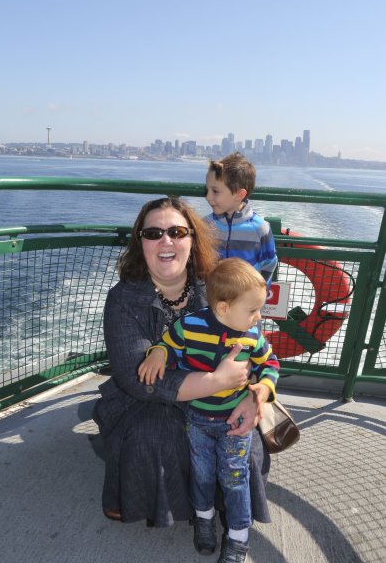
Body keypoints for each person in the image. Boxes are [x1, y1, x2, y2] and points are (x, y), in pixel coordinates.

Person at [91, 196, 272, 532]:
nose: (166, 241)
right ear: (141, 243)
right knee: (154, 436)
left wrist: (254, 398)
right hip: (147, 400)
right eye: (153, 233)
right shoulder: (123, 299)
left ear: (193, 239)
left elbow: (257, 351)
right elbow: (138, 379)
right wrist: (217, 381)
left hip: (222, 399)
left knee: (239, 437)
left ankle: (226, 508)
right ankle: (140, 495)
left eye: (176, 232)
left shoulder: (218, 287)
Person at [138, 257, 279, 562]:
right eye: (252, 310)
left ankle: (238, 538)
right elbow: (168, 345)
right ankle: (204, 520)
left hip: (234, 424)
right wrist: (158, 353)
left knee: (234, 480)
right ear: (224, 308)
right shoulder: (190, 326)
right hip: (198, 421)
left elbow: (270, 363)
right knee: (201, 476)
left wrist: (264, 388)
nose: (259, 317)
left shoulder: (252, 337)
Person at [205, 152, 278, 286]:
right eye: (207, 190)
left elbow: (269, 263)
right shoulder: (205, 225)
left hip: (246, 297)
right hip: (210, 296)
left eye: (215, 191)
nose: (208, 197)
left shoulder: (260, 229)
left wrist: (258, 292)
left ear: (239, 195)